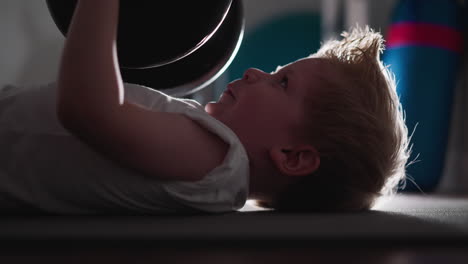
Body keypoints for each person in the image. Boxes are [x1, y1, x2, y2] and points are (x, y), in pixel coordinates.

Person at [0, 0, 409, 214]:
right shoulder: (211, 162)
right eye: (274, 70)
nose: (253, 72)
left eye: (281, 82)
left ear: (293, 157)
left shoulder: (215, 159)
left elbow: (86, 108)